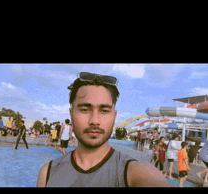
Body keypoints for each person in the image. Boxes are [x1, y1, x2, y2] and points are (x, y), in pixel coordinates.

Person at [37, 72, 176, 187]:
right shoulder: (47, 174)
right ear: (71, 114)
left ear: (114, 116)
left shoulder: (133, 171)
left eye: (104, 110)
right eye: (85, 109)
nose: (94, 121)